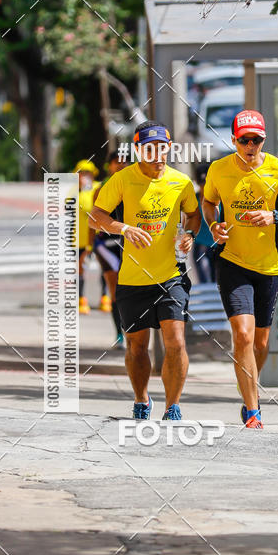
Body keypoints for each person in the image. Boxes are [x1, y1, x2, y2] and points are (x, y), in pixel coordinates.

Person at [202, 109, 278, 429]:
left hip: (268, 266)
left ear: (264, 140)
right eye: (244, 140)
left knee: (260, 344)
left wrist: (274, 216)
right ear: (233, 139)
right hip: (232, 262)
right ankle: (253, 411)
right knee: (243, 335)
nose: (250, 146)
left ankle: (249, 386)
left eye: (257, 140)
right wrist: (213, 225)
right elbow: (208, 202)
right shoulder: (219, 169)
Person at [89, 121, 201, 420]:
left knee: (176, 342)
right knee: (137, 348)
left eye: (161, 148)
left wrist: (190, 235)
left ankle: (172, 406)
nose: (156, 154)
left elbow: (194, 215)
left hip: (171, 277)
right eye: (149, 149)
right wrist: (124, 228)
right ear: (138, 150)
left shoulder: (181, 182)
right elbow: (94, 217)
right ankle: (142, 398)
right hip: (133, 279)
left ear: (169, 149)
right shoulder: (122, 179)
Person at [92, 149, 130, 348]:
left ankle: (132, 331)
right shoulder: (102, 188)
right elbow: (93, 219)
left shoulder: (135, 185)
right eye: (117, 161)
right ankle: (119, 334)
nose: (121, 165)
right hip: (106, 244)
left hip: (129, 242)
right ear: (110, 165)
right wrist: (89, 247)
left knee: (131, 289)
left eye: (125, 161)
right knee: (115, 289)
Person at [74, 159, 100, 314]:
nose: (84, 176)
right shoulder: (73, 191)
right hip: (78, 237)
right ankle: (81, 298)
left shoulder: (97, 188)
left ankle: (105, 296)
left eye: (88, 173)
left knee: (105, 267)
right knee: (79, 268)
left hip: (98, 235)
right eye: (81, 173)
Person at [192, 162, 216, 284]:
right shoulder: (193, 199)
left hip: (217, 246)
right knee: (204, 282)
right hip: (200, 245)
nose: (204, 187)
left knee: (218, 283)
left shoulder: (220, 199)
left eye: (206, 183)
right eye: (201, 184)